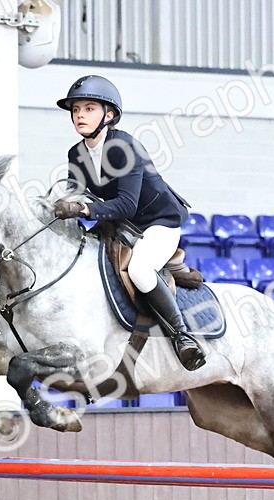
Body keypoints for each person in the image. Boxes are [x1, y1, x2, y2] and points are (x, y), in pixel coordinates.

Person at [51, 75, 206, 371]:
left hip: (156, 223)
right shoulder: (77, 153)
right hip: (118, 226)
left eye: (89, 108)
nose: (80, 115)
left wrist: (82, 208)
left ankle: (182, 335)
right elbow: (74, 189)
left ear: (109, 115)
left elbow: (126, 204)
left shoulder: (124, 146)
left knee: (139, 269)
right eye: (75, 110)